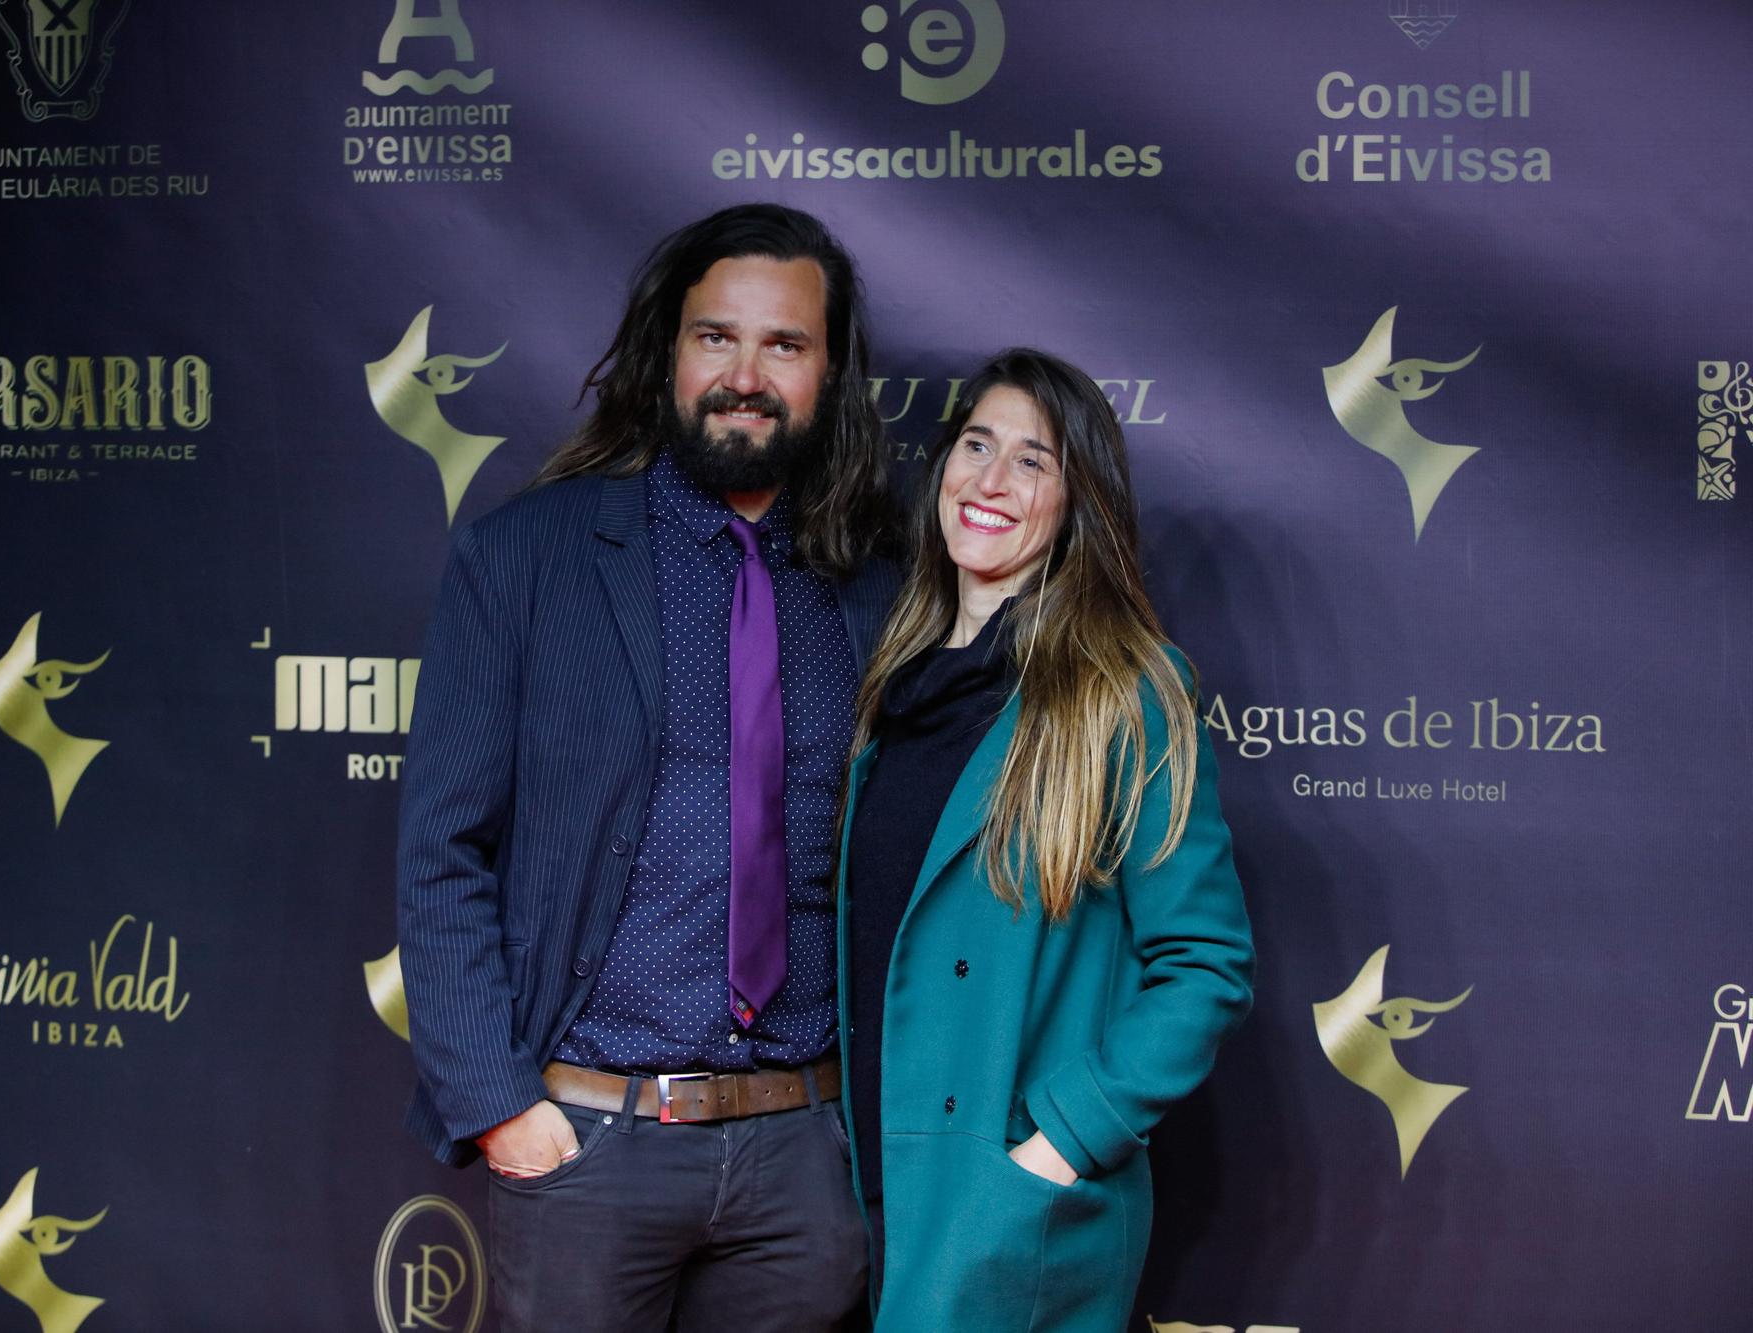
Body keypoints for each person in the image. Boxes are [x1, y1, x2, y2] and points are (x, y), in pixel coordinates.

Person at [395, 203, 899, 1332]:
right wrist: (500, 1107)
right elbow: (441, 851)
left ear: (830, 370)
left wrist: (843, 1139)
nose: (745, 375)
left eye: (785, 345)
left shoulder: (878, 588)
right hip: (590, 1144)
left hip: (805, 1156)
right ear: (666, 352)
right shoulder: (526, 557)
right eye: (715, 337)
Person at [838, 348, 1255, 1330]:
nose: (989, 479)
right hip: (853, 1199)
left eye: (1031, 461)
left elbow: (1203, 964)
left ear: (1077, 503)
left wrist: (1055, 1144)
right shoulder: (888, 688)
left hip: (1001, 1211)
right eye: (975, 444)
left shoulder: (1123, 691)